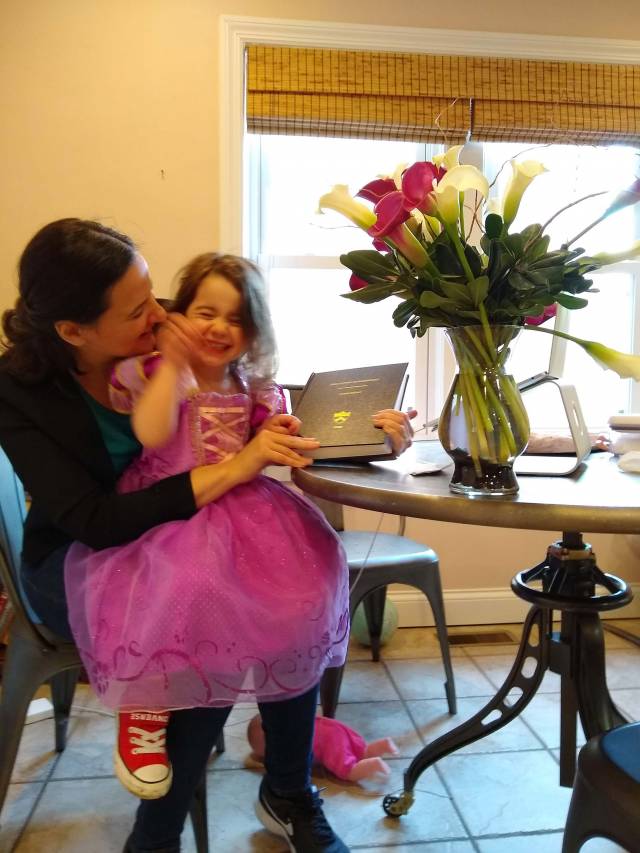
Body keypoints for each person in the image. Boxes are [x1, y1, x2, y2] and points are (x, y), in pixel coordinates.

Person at [0, 219, 415, 853]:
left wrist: (367, 432)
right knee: (213, 613)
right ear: (74, 331)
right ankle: (161, 831)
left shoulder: (177, 333)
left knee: (291, 596)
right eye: (140, 308)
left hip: (199, 536)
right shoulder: (24, 391)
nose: (162, 315)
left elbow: (281, 420)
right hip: (83, 556)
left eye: (156, 297)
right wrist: (237, 464)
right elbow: (95, 519)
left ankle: (287, 789)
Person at [63, 251, 351, 800]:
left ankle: (281, 717)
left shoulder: (254, 387)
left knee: (311, 579)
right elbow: (150, 435)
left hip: (247, 507)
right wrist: (172, 366)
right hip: (169, 509)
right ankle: (148, 704)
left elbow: (288, 442)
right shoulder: (155, 372)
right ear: (178, 314)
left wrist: (365, 432)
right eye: (205, 311)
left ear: (254, 329)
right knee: (189, 583)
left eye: (237, 318)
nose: (220, 327)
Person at [248, 713, 399, 783]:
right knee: (362, 751)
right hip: (330, 726)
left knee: (348, 771)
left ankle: (374, 764)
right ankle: (383, 744)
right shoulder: (291, 718)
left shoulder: (284, 741)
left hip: (327, 741)